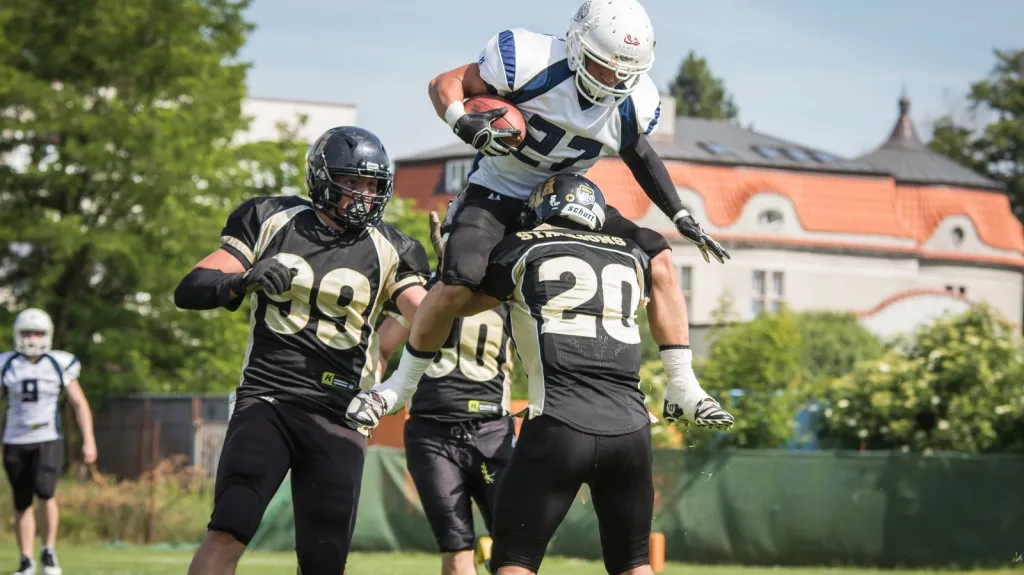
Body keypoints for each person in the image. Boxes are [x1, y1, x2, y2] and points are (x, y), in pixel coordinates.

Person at [351, 0, 734, 432]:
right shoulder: (529, 62)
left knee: (659, 259)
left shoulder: (636, 102)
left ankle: (682, 386)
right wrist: (460, 120)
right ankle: (401, 384)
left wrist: (680, 213)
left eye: (623, 72)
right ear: (576, 45)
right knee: (458, 288)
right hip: (497, 191)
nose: (612, 80)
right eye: (602, 66)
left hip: (567, 199)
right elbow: (446, 83)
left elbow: (639, 153)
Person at [173, 126, 430, 575]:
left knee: (324, 558)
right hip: (268, 399)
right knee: (229, 527)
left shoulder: (394, 248)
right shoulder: (271, 218)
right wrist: (242, 281)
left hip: (341, 412)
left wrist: (455, 287)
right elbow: (190, 288)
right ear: (324, 178)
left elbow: (428, 319)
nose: (365, 195)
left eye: (373, 185)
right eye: (354, 182)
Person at [470, 173, 662, 574]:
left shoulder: (522, 247)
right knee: (634, 563)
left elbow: (465, 300)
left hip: (559, 422)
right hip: (630, 428)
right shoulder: (630, 254)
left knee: (515, 560)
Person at [376, 211, 516, 575]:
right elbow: (381, 346)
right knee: (456, 548)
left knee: (515, 547)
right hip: (432, 432)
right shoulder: (423, 292)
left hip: (492, 429)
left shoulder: (509, 296)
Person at [2, 308, 97, 575]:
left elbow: (79, 404)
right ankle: (25, 559)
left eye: (37, 333)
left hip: (47, 438)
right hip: (15, 439)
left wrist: (89, 440)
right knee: (21, 501)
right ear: (18, 335)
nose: (32, 339)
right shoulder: (7, 364)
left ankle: (48, 551)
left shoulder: (58, 363)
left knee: (46, 492)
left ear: (48, 335)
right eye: (27, 333)